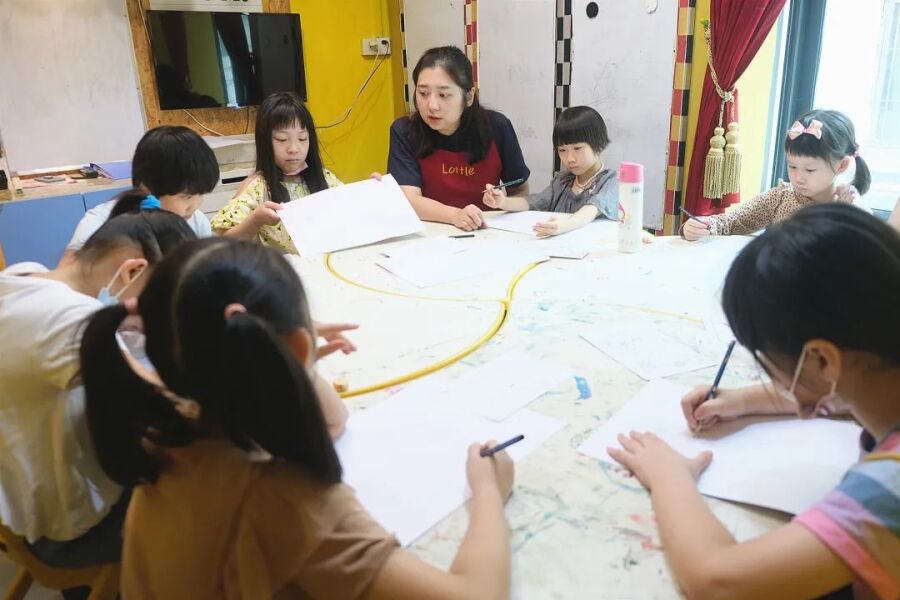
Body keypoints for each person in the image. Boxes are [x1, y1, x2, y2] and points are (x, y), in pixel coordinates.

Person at [79, 237, 514, 598]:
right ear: (297, 345)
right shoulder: (286, 501)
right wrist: (488, 491)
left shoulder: (170, 429)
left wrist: (286, 362)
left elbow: (334, 421)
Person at [609, 203, 899, 599]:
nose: (773, 379)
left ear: (822, 361)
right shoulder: (882, 367)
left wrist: (669, 476)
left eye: (770, 364)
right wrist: (746, 400)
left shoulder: (890, 485)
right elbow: (853, 391)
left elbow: (717, 581)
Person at [0, 211, 195, 570]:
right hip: (69, 527)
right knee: (212, 491)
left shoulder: (23, 274)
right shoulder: (71, 323)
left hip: (17, 501)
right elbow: (171, 400)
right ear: (132, 271)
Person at [388, 46, 530, 232]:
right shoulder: (404, 131)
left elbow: (520, 191)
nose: (432, 105)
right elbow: (409, 199)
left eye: (444, 95)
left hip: (486, 231)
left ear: (469, 97)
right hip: (430, 231)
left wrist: (504, 202)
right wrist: (456, 216)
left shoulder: (497, 127)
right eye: (423, 93)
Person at [683, 109, 871, 241]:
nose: (798, 177)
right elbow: (730, 223)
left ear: (842, 165)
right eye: (792, 166)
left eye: (810, 170)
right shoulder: (779, 198)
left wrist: (850, 212)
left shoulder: (851, 208)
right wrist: (701, 226)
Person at [63, 125, 219, 262]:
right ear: (147, 188)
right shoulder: (99, 224)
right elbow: (71, 273)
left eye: (201, 194)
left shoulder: (196, 221)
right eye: (186, 197)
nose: (195, 206)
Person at [212, 92, 342, 253]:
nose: (294, 149)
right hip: (280, 267)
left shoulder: (325, 178)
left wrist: (370, 189)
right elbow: (224, 242)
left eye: (302, 139)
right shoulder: (257, 187)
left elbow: (354, 210)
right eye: (282, 139)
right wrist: (256, 220)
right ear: (265, 142)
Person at [483, 106, 618, 237]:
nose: (569, 159)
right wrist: (503, 202)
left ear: (598, 144)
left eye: (577, 148)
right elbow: (535, 202)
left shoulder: (612, 181)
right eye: (562, 150)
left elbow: (591, 210)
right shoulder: (563, 179)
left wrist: (565, 225)